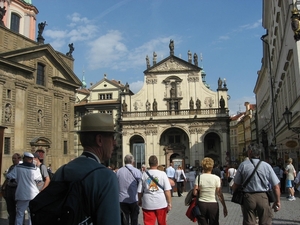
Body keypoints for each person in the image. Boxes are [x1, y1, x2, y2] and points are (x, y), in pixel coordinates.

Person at [52, 113, 121, 224]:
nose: (115, 143)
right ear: (99, 140)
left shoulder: (62, 171)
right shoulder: (106, 177)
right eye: (112, 137)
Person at [232, 143, 281, 225]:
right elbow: (276, 186)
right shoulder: (266, 166)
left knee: (249, 222)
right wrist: (278, 201)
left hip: (248, 198)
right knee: (265, 222)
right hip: (263, 197)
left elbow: (236, 184)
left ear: (250, 152)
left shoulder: (243, 165)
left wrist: (237, 193)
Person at [6, 152, 42, 225]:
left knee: (20, 214)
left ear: (24, 158)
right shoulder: (36, 169)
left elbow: (9, 176)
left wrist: (16, 181)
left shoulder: (18, 167)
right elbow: (39, 181)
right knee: (31, 214)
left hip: (21, 194)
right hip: (33, 194)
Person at [137, 155, 172, 225]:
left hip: (148, 202)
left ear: (149, 163)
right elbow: (167, 191)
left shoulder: (144, 174)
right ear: (157, 163)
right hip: (161, 202)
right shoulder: (163, 174)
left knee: (149, 223)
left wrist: (139, 200)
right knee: (162, 222)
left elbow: (139, 191)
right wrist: (169, 203)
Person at [193, 157, 228, 225]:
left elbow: (194, 193)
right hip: (213, 205)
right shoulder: (216, 178)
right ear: (212, 167)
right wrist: (224, 206)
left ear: (203, 166)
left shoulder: (199, 177)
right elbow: (219, 194)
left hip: (202, 204)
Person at [117, 154, 142, 225]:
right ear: (132, 162)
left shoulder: (119, 171)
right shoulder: (137, 171)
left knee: (124, 220)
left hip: (122, 199)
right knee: (134, 219)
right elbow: (141, 185)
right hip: (134, 198)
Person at [3, 153, 22, 225]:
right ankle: (11, 222)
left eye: (15, 158)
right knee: (10, 208)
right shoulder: (11, 167)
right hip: (9, 189)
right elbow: (7, 178)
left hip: (16, 188)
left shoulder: (20, 167)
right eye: (13, 158)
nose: (13, 160)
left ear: (19, 159)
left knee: (18, 208)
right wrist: (3, 187)